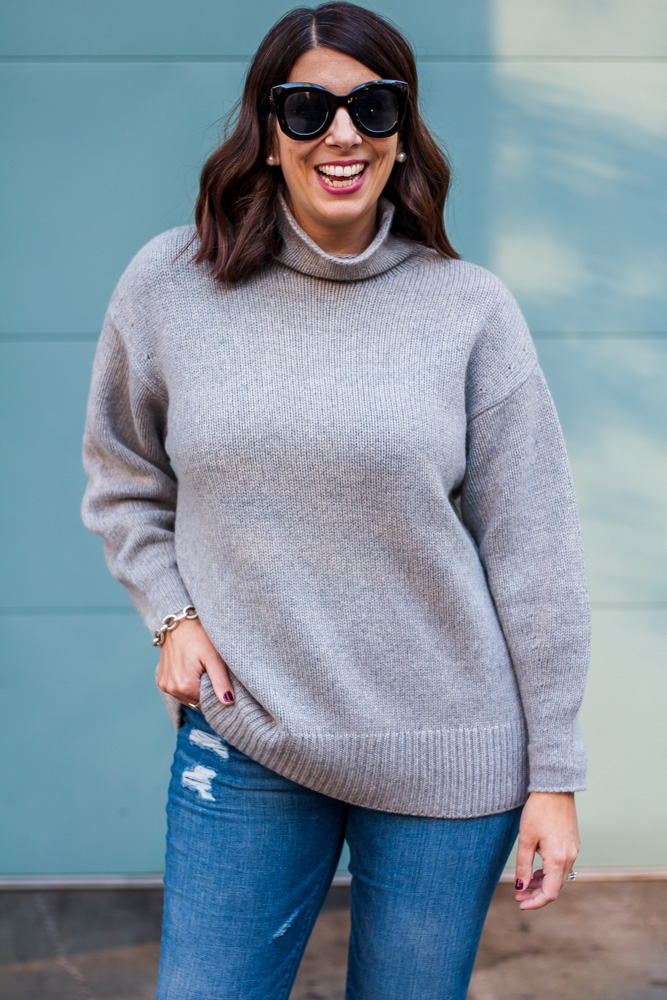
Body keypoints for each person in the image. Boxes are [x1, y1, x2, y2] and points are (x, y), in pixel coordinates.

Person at [80, 3, 590, 997]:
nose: (342, 133)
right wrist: (172, 614)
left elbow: (536, 555)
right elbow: (125, 478)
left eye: (372, 106)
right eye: (308, 109)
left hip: (446, 752)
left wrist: (554, 778)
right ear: (268, 135)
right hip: (250, 734)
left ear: (402, 136)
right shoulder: (168, 286)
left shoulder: (469, 310)